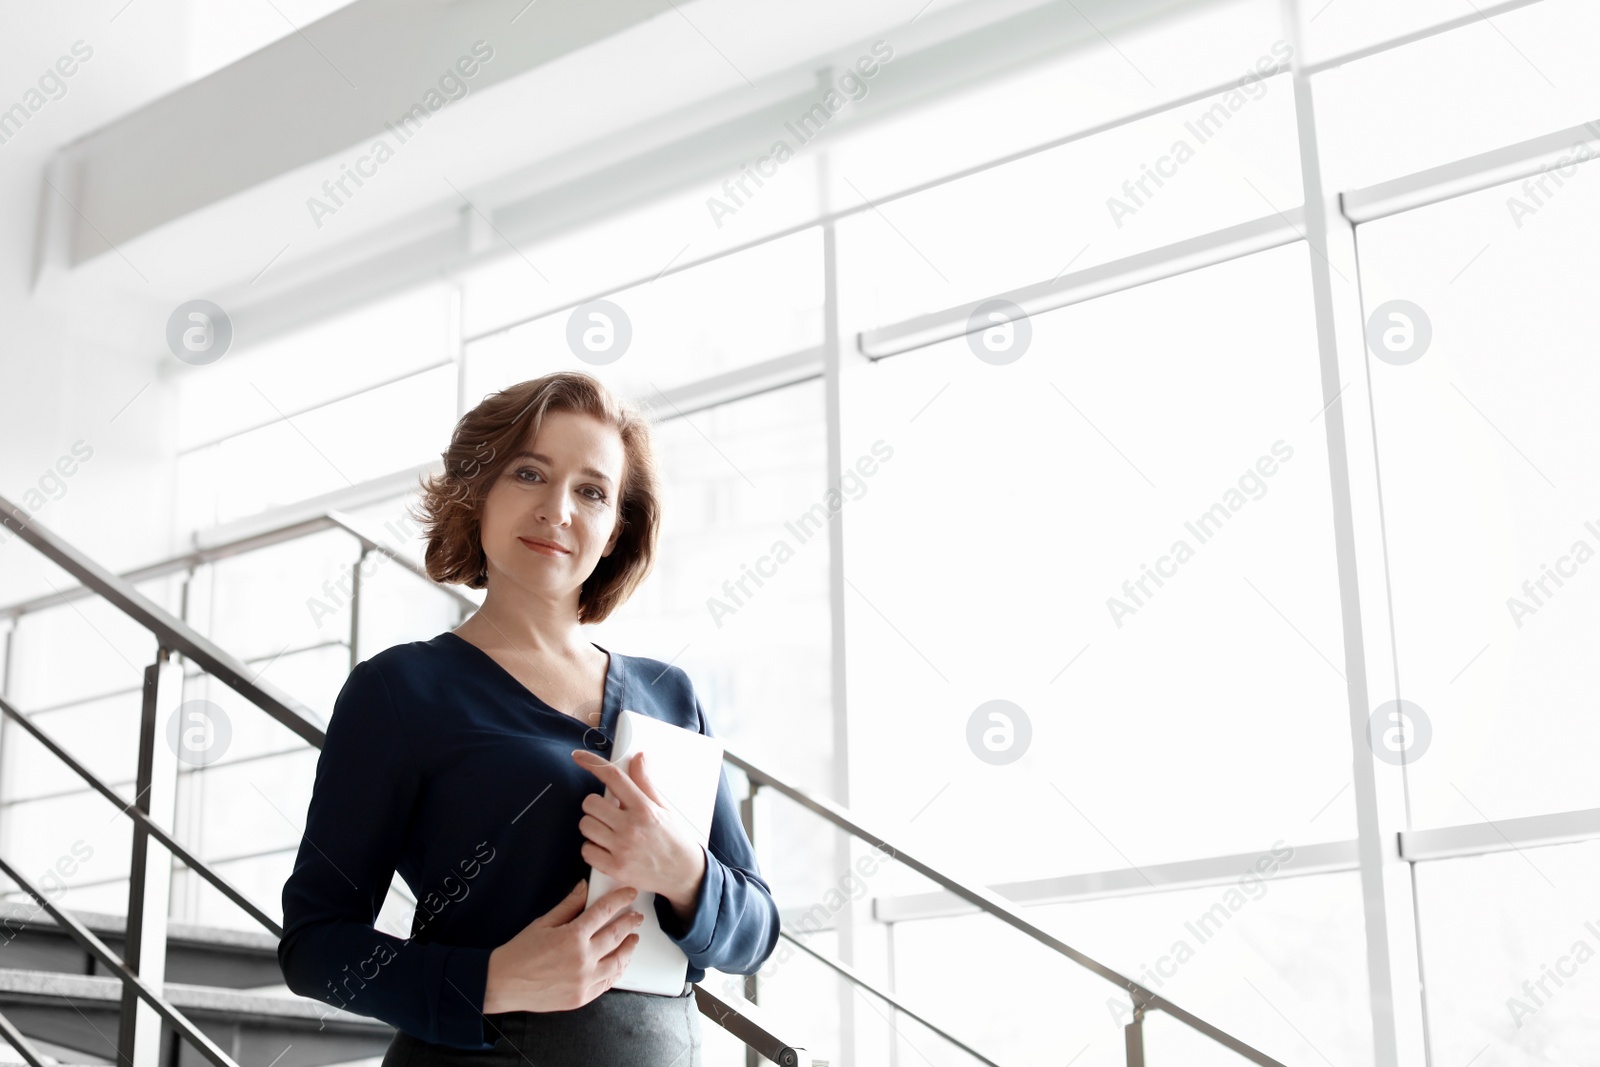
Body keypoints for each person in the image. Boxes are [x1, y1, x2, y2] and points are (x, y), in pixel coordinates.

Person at [277, 371, 780, 1067]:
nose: (558, 509)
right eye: (528, 473)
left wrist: (686, 871)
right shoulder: (400, 690)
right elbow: (315, 944)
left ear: (613, 533)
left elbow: (755, 931)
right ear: (477, 494)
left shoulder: (671, 694)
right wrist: (496, 979)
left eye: (592, 491)